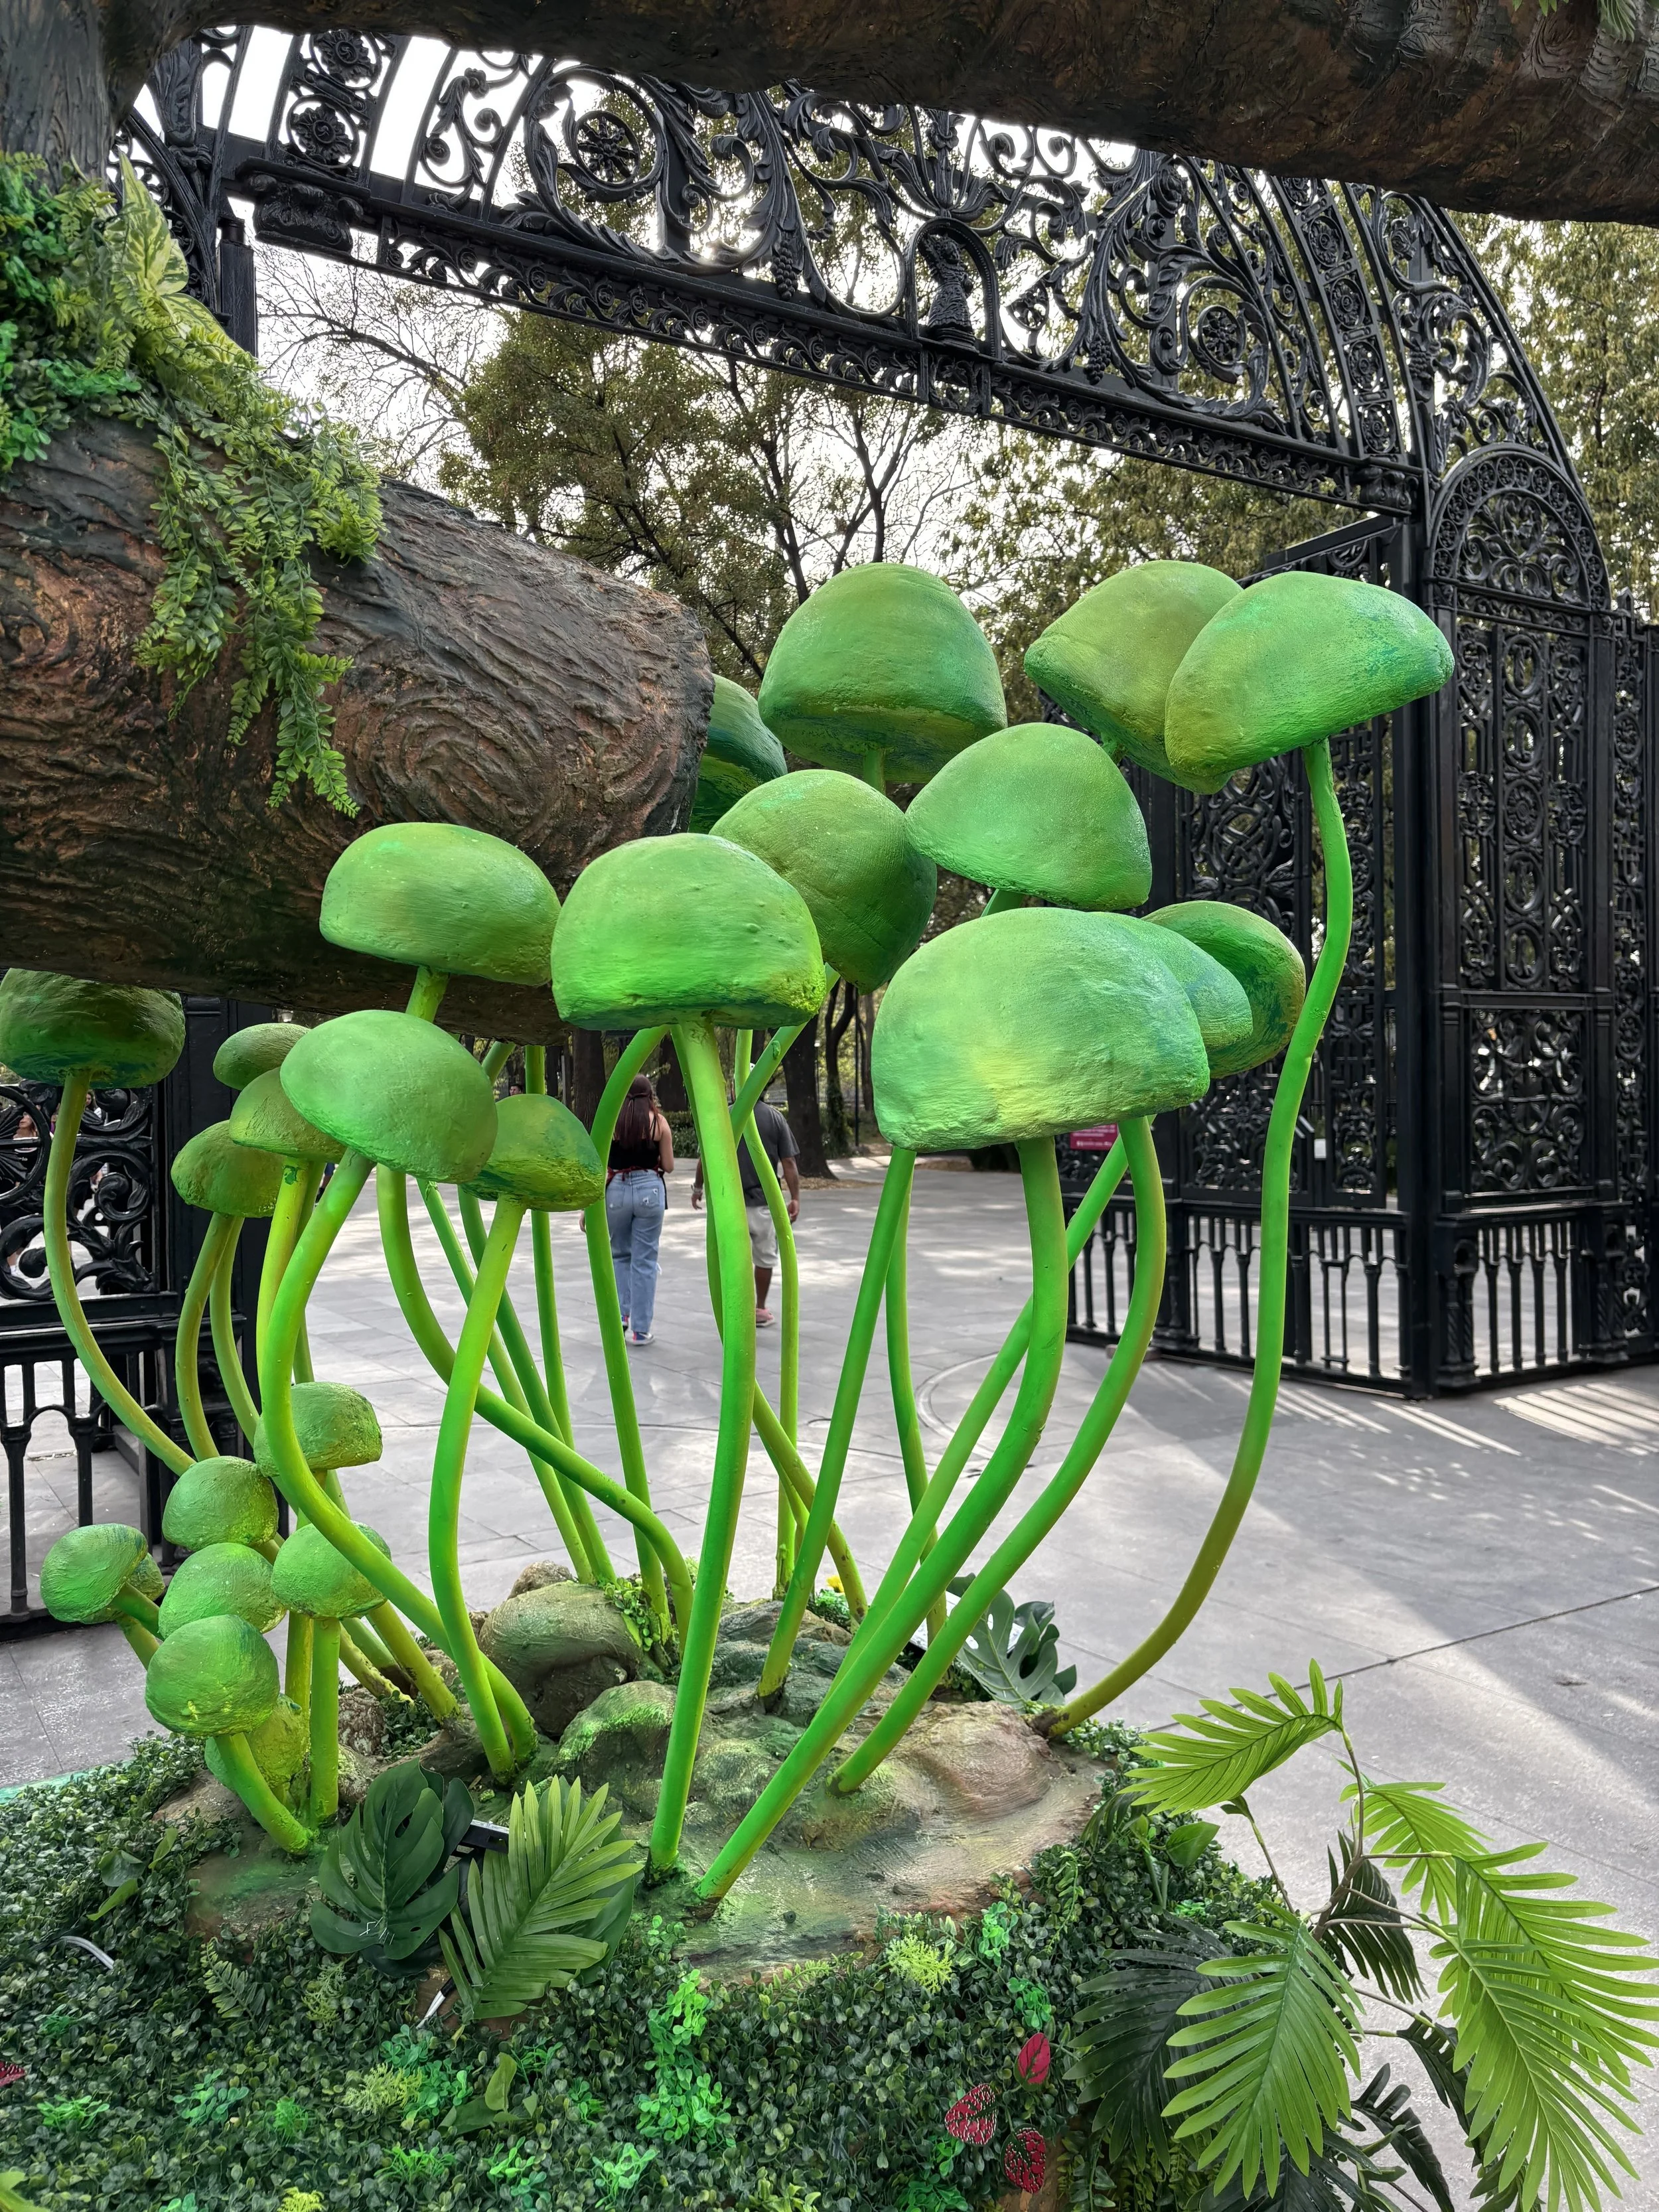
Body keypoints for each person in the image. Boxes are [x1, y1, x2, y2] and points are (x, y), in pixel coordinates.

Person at [693, 1098, 800, 1327]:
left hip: (730, 1202)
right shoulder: (775, 1117)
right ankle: (760, 1308)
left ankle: (735, 1308)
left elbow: (704, 1159)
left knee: (733, 1258)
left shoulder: (723, 1115)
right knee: (764, 1258)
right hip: (764, 1202)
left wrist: (698, 1188)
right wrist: (795, 1197)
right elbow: (788, 1161)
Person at [605, 1074, 674, 1347]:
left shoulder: (613, 1122)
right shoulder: (659, 1123)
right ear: (650, 1096)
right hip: (649, 1189)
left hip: (616, 1189)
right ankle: (641, 1330)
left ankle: (621, 1315)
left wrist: (588, 1208)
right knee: (644, 1260)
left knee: (619, 1254)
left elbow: (602, 1165)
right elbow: (668, 1165)